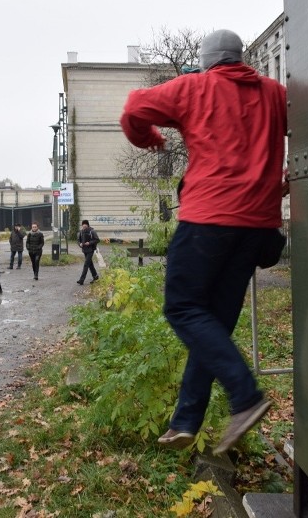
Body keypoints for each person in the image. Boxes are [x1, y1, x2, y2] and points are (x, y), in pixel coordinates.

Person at [120, 29, 287, 454]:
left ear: (208, 61)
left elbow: (134, 107)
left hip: (210, 219)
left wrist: (150, 138)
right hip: (257, 228)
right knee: (211, 322)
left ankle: (245, 396)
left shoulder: (197, 87)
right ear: (242, 58)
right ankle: (186, 420)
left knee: (182, 307)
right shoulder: (275, 94)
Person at [75, 220, 100, 285]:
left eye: (85, 225)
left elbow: (97, 240)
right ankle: (95, 276)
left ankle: (81, 280)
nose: (84, 226)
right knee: (90, 264)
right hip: (84, 250)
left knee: (86, 264)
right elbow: (78, 240)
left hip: (91, 250)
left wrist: (89, 243)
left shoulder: (92, 231)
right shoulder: (81, 232)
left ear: (88, 225)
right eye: (83, 225)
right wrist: (80, 244)